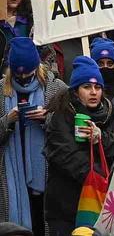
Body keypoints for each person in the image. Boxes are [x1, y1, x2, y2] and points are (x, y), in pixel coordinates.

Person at [44, 56, 114, 235]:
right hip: (66, 207)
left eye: (97, 87)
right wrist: (99, 178)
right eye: (87, 87)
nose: (93, 92)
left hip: (102, 205)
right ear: (76, 91)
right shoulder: (61, 116)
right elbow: (66, 155)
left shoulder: (111, 116)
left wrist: (100, 138)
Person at [0, 38, 67, 230]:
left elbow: (67, 131)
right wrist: (8, 120)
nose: (22, 77)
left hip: (46, 173)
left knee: (41, 222)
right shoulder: (1, 90)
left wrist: (47, 119)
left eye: (27, 73)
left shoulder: (56, 88)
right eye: (18, 74)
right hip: (10, 175)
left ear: (36, 67)